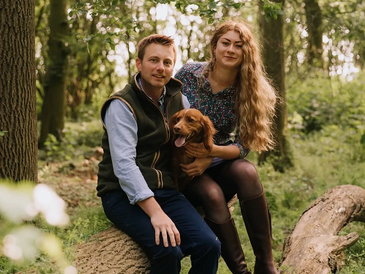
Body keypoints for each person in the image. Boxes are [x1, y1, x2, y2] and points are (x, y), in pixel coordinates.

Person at [96, 34, 221, 274]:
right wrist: (156, 213)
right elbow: (124, 166)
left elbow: (198, 133)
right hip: (121, 193)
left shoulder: (178, 99)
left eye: (167, 62)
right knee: (168, 250)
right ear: (139, 64)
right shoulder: (121, 105)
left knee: (209, 245)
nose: (160, 68)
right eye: (154, 60)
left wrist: (207, 157)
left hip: (165, 188)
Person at [174, 20, 279, 274]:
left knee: (247, 171)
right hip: (186, 164)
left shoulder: (251, 89)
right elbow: (168, 114)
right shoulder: (187, 74)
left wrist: (211, 154)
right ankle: (241, 272)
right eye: (226, 43)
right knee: (211, 194)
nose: (231, 49)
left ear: (246, 52)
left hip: (220, 158)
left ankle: (266, 264)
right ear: (215, 46)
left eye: (238, 45)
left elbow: (244, 146)